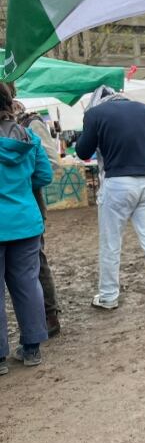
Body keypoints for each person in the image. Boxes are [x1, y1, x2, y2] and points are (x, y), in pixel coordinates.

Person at [75, 87, 145, 313]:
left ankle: (107, 296)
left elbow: (83, 152)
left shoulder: (95, 114)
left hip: (118, 183)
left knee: (111, 243)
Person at [0, 82, 53, 374]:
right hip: (25, 222)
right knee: (27, 284)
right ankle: (31, 349)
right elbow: (44, 175)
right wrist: (19, 189)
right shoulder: (28, 136)